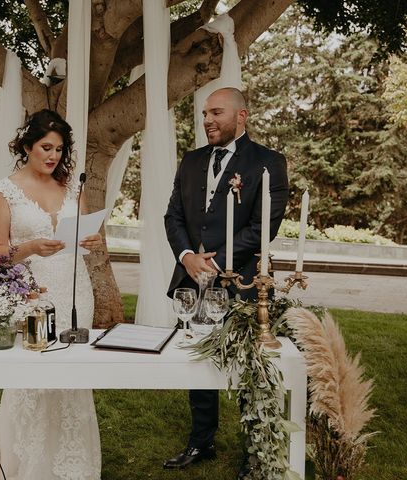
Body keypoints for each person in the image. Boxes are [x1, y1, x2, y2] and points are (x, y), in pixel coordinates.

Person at [163, 88, 288, 474]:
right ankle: (202, 441)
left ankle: (256, 449)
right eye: (204, 114)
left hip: (245, 282)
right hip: (191, 279)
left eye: (216, 112)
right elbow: (174, 216)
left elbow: (264, 225)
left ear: (242, 116)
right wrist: (187, 257)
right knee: (197, 361)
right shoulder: (191, 160)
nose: (207, 120)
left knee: (251, 365)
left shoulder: (268, 163)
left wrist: (215, 263)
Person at [0, 109, 102, 480]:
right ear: (27, 146)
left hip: (77, 293)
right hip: (34, 296)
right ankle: (24, 466)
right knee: (33, 379)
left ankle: (73, 466)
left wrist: (95, 240)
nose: (53, 156)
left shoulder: (71, 190)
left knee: (73, 377)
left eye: (59, 149)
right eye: (45, 147)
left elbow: (86, 240)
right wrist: (32, 247)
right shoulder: (5, 192)